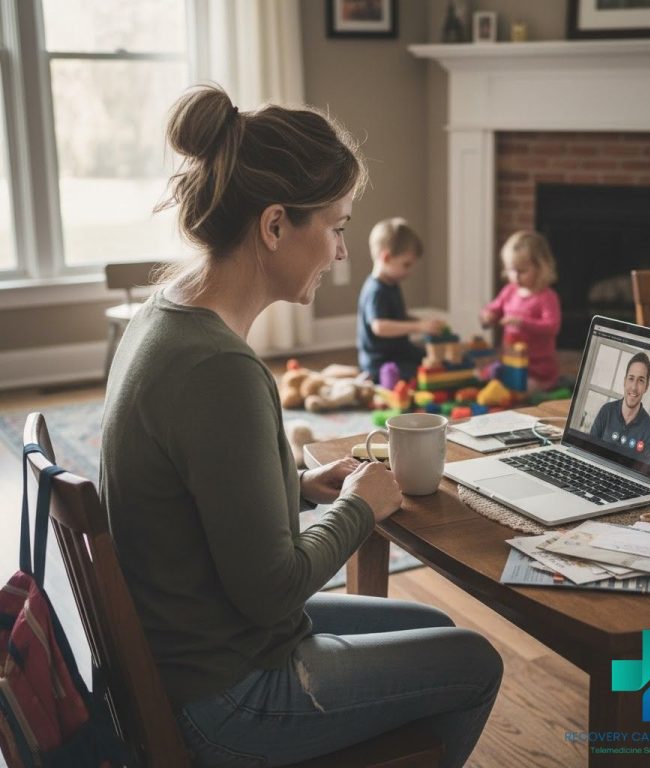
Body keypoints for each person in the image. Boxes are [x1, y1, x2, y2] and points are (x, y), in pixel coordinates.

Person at [100, 84, 502, 768]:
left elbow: (200, 479)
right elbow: (272, 589)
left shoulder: (164, 315)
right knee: (472, 660)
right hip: (225, 696)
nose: (343, 252)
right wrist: (355, 507)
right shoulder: (219, 369)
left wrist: (298, 480)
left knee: (430, 625)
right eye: (338, 226)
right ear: (276, 225)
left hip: (193, 645)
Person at [357, 217, 445, 383]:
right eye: (406, 264)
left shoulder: (392, 283)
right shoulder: (376, 290)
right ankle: (365, 375)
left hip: (400, 351)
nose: (409, 271)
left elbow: (397, 317)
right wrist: (418, 327)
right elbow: (380, 327)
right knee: (415, 375)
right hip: (381, 360)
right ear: (387, 258)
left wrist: (422, 321)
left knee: (432, 359)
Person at [480, 230, 561, 390]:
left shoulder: (546, 297)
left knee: (522, 388)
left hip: (537, 367)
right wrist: (488, 315)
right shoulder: (509, 290)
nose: (516, 277)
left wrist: (522, 322)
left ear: (541, 267)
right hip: (511, 360)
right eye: (511, 270)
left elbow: (552, 327)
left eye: (522, 271)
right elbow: (493, 308)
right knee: (488, 378)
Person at [589, 351, 650, 459]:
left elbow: (640, 470)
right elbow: (588, 450)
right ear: (624, 381)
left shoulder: (648, 427)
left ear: (646, 387)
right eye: (631, 378)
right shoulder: (606, 411)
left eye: (641, 380)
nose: (634, 387)